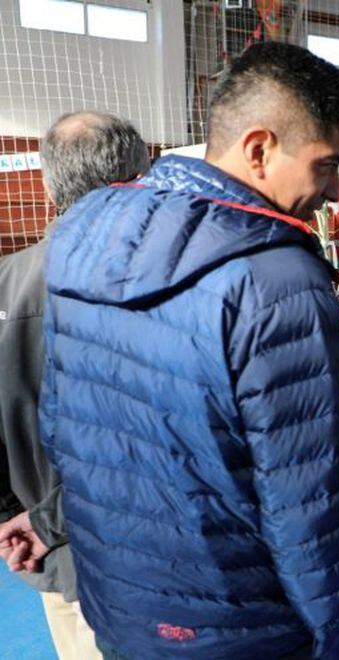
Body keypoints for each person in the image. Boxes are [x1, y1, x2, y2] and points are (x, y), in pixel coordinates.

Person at [38, 43, 339, 658]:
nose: (332, 193)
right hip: (239, 625)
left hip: (119, 604)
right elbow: (306, 499)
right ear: (259, 149)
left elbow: (60, 425)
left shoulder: (82, 234)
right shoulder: (276, 281)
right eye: (325, 166)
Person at [0, 111, 150, 660]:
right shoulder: (154, 285)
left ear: (47, 184)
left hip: (47, 552)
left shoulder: (6, 281)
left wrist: (15, 522)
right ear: (140, 179)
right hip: (143, 566)